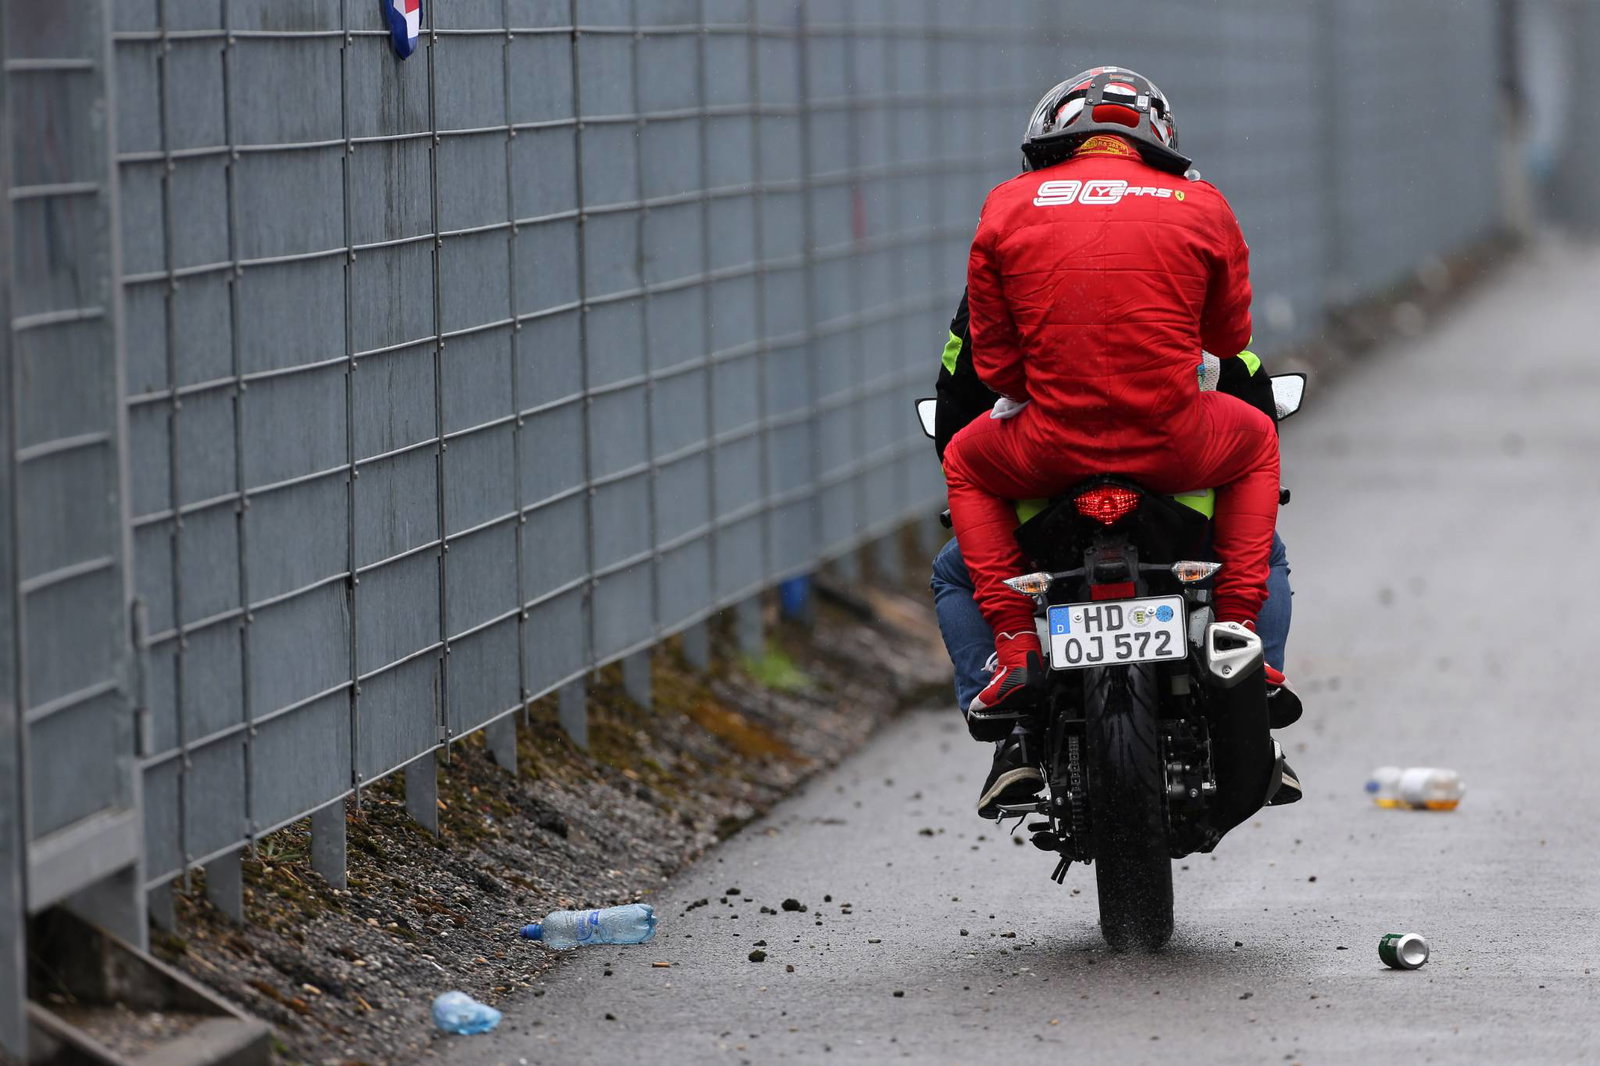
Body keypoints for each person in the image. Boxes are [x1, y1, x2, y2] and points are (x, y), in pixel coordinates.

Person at [935, 67, 1296, 814]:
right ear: (1157, 143)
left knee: (966, 466)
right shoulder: (1203, 205)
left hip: (1049, 449)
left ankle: (1015, 654)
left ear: (1053, 142)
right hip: (1174, 445)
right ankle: (1235, 635)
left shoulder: (1005, 205)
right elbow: (1230, 341)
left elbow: (991, 363)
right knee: (1258, 439)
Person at [932, 294, 1299, 815]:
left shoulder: (1000, 283)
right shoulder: (1171, 263)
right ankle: (1246, 679)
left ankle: (1012, 726)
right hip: (1172, 499)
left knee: (955, 569)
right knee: (1264, 550)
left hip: (1046, 506)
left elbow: (958, 396)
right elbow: (1240, 367)